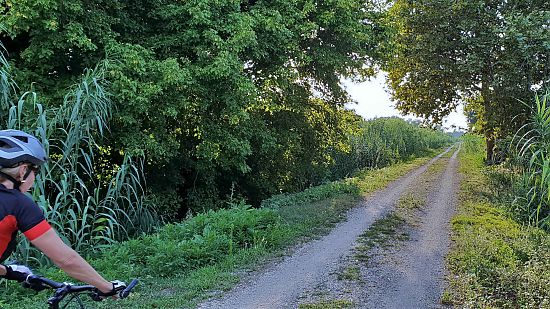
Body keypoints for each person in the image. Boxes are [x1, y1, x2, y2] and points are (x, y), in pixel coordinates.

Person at [0, 129, 123, 296]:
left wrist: (8, 271)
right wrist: (107, 287)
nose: (35, 178)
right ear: (23, 171)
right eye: (35, 171)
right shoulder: (18, 205)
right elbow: (66, 259)